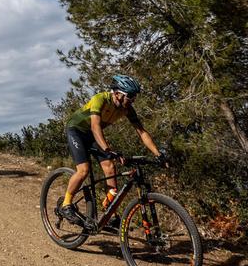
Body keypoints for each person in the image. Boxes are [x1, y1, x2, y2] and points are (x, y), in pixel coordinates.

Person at [55, 74, 165, 226]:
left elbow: (142, 132)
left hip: (92, 135)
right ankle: (66, 205)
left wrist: (158, 154)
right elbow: (95, 126)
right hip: (77, 130)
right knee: (83, 170)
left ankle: (108, 209)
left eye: (134, 97)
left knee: (110, 168)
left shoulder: (127, 109)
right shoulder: (100, 99)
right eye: (130, 96)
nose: (133, 100)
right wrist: (107, 149)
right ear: (118, 93)